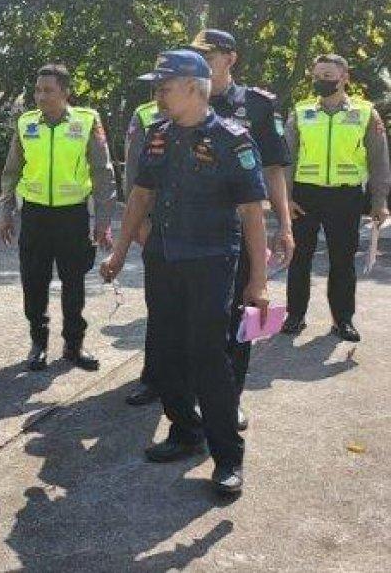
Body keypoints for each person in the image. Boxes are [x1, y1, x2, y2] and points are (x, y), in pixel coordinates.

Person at [101, 50, 269, 496]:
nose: (158, 95)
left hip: (211, 261)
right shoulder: (158, 134)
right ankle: (185, 431)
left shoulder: (233, 140)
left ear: (194, 88)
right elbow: (140, 195)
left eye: (165, 87)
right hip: (163, 257)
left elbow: (252, 212)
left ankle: (227, 456)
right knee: (167, 351)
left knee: (208, 355)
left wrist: (258, 280)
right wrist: (119, 252)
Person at [188, 29, 293, 431]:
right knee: (194, 318)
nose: (201, 64)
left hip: (241, 227)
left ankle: (229, 399)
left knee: (238, 315)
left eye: (208, 56)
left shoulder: (258, 105)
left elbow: (273, 170)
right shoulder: (185, 99)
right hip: (191, 227)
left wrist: (284, 225)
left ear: (230, 58)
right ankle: (194, 397)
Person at [0, 64, 115, 371]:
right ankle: (38, 343)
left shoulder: (86, 121)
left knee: (74, 283)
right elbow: (11, 171)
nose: (41, 96)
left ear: (65, 92)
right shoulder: (26, 123)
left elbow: (102, 173)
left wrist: (103, 221)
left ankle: (74, 346)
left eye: (48, 90)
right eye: (38, 90)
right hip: (34, 216)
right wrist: (5, 211)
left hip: (72, 217)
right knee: (33, 282)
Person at [281, 53, 391, 341]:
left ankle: (342, 320)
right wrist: (285, 198)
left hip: (346, 196)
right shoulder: (301, 111)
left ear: (344, 78)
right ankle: (295, 315)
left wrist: (380, 201)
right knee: (299, 257)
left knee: (342, 260)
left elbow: (379, 161)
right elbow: (287, 160)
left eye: (328, 76)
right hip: (304, 195)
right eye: (317, 76)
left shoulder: (366, 113)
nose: (321, 81)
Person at [120, 97, 166, 405]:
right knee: (160, 307)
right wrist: (137, 222)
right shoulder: (146, 115)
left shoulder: (225, 112)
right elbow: (134, 174)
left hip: (208, 231)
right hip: (159, 226)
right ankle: (154, 379)